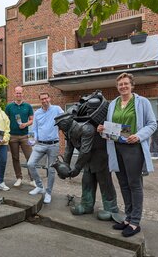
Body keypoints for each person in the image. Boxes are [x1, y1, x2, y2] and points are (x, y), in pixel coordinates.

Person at [97, 72, 157, 237]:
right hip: (116, 147)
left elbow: (152, 124)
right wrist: (103, 129)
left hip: (133, 148)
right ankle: (128, 217)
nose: (123, 86)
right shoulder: (113, 104)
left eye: (126, 83)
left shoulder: (142, 102)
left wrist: (138, 135)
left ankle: (135, 222)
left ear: (132, 85)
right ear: (117, 87)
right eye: (120, 84)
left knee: (134, 184)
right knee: (123, 183)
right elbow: (114, 128)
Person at [53, 91, 119, 221]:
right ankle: (87, 205)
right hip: (88, 160)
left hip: (100, 157)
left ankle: (111, 208)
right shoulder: (69, 131)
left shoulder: (86, 128)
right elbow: (69, 148)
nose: (59, 129)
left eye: (60, 126)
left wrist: (76, 168)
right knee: (87, 181)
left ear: (65, 123)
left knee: (104, 182)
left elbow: (85, 151)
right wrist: (65, 165)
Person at [26, 92, 64, 204]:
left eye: (46, 98)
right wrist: (32, 140)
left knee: (51, 170)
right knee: (30, 164)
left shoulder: (57, 109)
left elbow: (65, 119)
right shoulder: (37, 113)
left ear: (49, 98)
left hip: (53, 144)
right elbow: (34, 129)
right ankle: (39, 186)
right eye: (42, 99)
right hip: (40, 144)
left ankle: (48, 192)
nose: (44, 100)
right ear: (40, 100)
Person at [5, 86, 35, 187]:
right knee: (15, 158)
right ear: (14, 94)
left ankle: (32, 179)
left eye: (20, 93)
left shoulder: (28, 106)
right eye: (17, 93)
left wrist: (25, 124)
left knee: (30, 157)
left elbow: (31, 120)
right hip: (12, 136)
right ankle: (19, 178)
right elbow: (5, 121)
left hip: (25, 136)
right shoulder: (9, 107)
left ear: (23, 93)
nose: (18, 94)